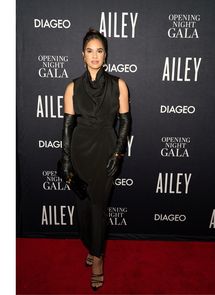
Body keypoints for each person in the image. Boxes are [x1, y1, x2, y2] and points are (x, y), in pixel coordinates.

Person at [59, 28, 131, 290]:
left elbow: (125, 121)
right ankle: (92, 245)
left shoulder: (118, 85)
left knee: (99, 208)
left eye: (99, 51)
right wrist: (66, 160)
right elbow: (67, 126)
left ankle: (98, 258)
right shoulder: (72, 87)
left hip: (105, 150)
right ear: (82, 55)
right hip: (80, 151)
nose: (94, 56)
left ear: (106, 54)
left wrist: (118, 152)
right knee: (84, 210)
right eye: (90, 51)